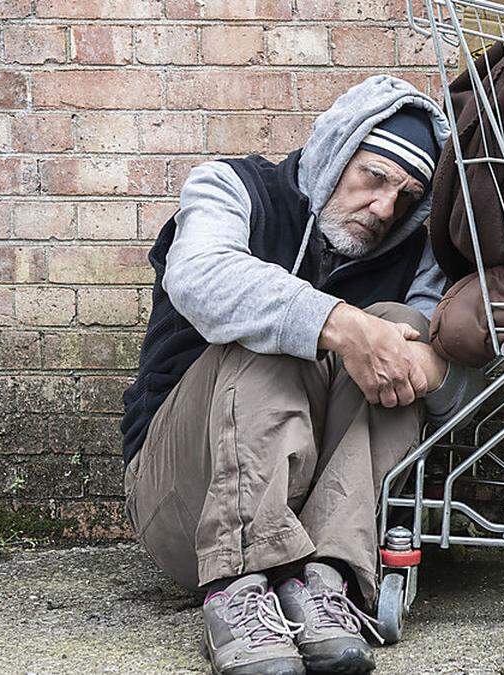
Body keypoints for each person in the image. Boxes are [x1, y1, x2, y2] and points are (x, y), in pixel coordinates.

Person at [119, 75, 481, 675]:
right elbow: (201, 278)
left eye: (406, 195)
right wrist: (337, 323)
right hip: (186, 498)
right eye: (374, 177)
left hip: (317, 519)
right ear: (336, 152)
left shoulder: (413, 256)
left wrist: (429, 367)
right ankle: (236, 589)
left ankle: (326, 581)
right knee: (269, 326)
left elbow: (450, 401)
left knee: (397, 329)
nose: (384, 208)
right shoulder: (232, 186)